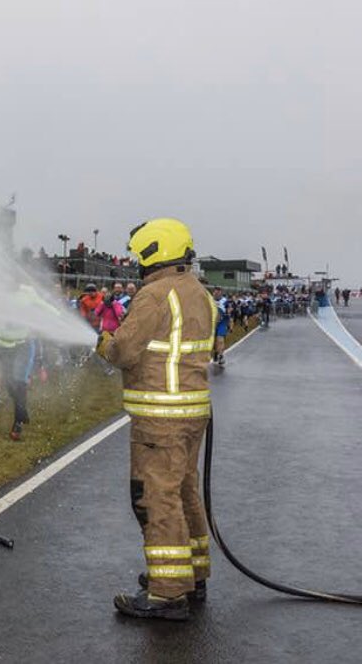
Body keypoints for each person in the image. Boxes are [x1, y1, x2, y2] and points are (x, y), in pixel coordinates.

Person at [96, 218, 216, 621]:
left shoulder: (153, 296)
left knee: (155, 497)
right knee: (184, 493)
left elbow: (125, 352)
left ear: (153, 251)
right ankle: (192, 576)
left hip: (159, 418)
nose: (136, 266)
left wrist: (105, 344)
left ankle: (166, 593)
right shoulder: (199, 294)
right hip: (192, 412)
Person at [0, 282, 60, 440]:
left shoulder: (28, 293)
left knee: (19, 382)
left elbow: (43, 305)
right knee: (9, 383)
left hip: (24, 345)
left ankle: (18, 423)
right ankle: (22, 410)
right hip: (3, 346)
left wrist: (58, 316)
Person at [210, 287, 229, 368]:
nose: (217, 294)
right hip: (211, 324)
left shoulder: (225, 301)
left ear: (221, 293)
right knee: (214, 342)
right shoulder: (209, 300)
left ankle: (221, 356)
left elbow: (229, 310)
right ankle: (216, 352)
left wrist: (228, 318)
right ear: (213, 293)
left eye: (218, 293)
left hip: (222, 323)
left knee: (220, 340)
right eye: (215, 293)